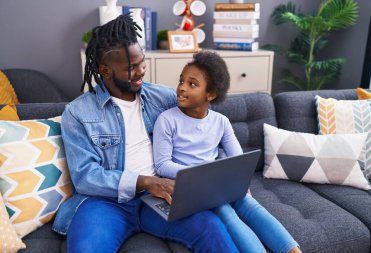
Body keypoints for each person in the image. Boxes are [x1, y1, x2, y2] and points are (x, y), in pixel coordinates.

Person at [52, 14, 240, 253]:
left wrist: (214, 174)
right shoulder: (78, 113)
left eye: (142, 63)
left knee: (211, 229)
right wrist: (146, 182)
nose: (141, 71)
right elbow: (86, 176)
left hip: (161, 198)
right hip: (106, 203)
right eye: (131, 68)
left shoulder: (164, 97)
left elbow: (206, 123)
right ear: (105, 70)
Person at [153, 51, 302, 253]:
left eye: (192, 84)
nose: (181, 88)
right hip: (190, 187)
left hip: (216, 183)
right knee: (225, 211)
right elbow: (162, 165)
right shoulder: (167, 119)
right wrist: (201, 174)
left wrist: (239, 183)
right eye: (181, 81)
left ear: (211, 94)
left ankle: (293, 250)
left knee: (250, 205)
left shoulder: (220, 121)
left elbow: (238, 159)